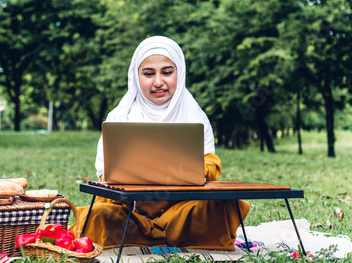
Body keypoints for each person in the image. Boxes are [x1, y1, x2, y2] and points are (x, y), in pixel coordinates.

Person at [71, 36, 250, 250]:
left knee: (222, 205)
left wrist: (186, 175)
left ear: (179, 73)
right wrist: (138, 187)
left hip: (179, 209)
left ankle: (148, 236)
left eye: (167, 72)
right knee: (98, 215)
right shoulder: (120, 117)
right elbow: (106, 174)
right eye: (148, 74)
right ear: (136, 76)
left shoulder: (194, 115)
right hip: (130, 211)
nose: (158, 82)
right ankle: (170, 237)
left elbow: (210, 164)